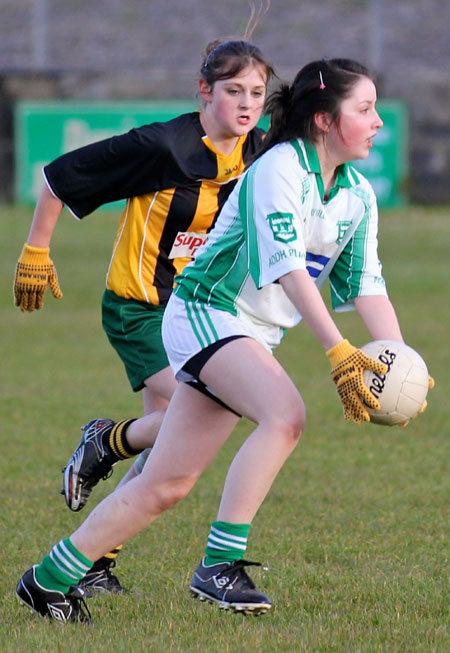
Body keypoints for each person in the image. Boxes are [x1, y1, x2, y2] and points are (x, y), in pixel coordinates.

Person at [16, 57, 433, 624]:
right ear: (324, 119)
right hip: (205, 311)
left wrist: (398, 360)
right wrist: (339, 352)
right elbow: (288, 270)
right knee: (285, 415)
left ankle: (48, 580)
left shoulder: (356, 194)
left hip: (248, 330)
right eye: (364, 109)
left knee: (167, 484)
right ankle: (220, 565)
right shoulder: (279, 169)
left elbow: (366, 284)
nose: (377, 121)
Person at [13, 39, 275, 593]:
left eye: (257, 92)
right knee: (201, 411)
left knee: (163, 461)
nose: (247, 104)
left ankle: (92, 560)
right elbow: (60, 176)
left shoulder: (259, 152)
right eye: (233, 91)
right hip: (141, 311)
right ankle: (106, 441)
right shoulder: (164, 146)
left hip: (199, 312)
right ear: (204, 91)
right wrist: (36, 249)